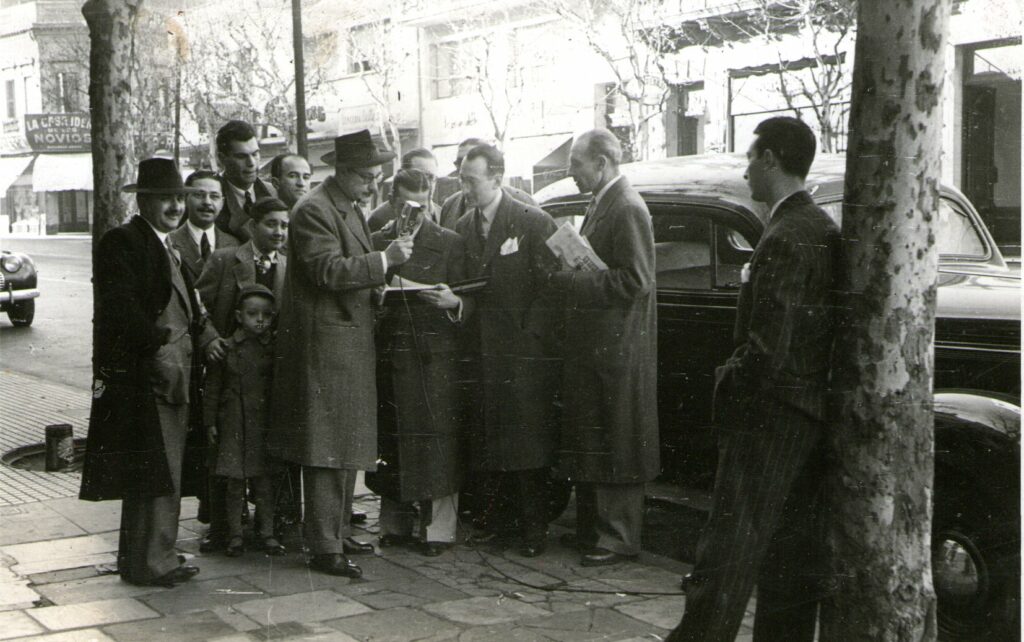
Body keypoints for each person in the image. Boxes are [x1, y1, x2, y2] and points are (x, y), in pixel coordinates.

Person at [666, 117, 839, 642]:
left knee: (728, 552)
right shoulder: (822, 228)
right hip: (807, 417)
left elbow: (767, 346)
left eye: (750, 159)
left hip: (767, 420)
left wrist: (727, 380)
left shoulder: (785, 235)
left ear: (770, 160)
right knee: (790, 557)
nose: (745, 172)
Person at [268, 130, 413, 578]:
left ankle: (337, 532)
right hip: (327, 348)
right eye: (368, 178)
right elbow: (326, 270)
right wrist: (384, 262)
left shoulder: (343, 205)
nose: (373, 186)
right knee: (327, 447)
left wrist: (379, 289)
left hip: (345, 343)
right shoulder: (314, 209)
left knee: (344, 444)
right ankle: (325, 545)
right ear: (345, 172)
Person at [80, 157, 216, 588]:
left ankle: (151, 556)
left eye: (179, 197)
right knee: (158, 472)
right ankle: (153, 562)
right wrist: (156, 347)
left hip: (170, 372)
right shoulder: (124, 241)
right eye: (165, 199)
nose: (176, 206)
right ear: (143, 201)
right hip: (151, 376)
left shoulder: (161, 242)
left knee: (160, 471)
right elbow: (121, 309)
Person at [420, 144, 560, 558]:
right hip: (479, 353)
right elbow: (466, 287)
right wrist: (456, 303)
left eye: (472, 180)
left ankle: (534, 529)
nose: (464, 188)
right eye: (461, 179)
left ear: (498, 179)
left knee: (527, 443)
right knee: (491, 440)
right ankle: (501, 525)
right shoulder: (462, 226)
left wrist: (531, 339)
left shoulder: (532, 221)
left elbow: (553, 288)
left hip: (523, 357)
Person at [547, 128, 660, 568]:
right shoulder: (606, 201)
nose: (570, 171)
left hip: (617, 348)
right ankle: (599, 531)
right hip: (601, 347)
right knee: (601, 434)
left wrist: (573, 279)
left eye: (576, 163)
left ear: (602, 163)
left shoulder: (627, 206)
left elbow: (635, 280)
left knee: (618, 437)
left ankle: (618, 537)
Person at [366, 168, 467, 557]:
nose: (415, 215)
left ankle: (438, 530)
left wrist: (453, 301)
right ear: (391, 202)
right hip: (392, 352)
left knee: (437, 441)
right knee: (392, 440)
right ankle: (394, 524)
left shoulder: (450, 243)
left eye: (422, 207)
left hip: (433, 356)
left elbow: (468, 295)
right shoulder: (377, 242)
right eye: (407, 206)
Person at [203, 284, 285, 558]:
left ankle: (267, 533)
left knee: (264, 482)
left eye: (266, 315)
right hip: (233, 425)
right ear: (239, 316)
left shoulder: (274, 349)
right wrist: (210, 421)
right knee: (234, 484)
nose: (260, 320)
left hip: (262, 425)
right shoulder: (226, 347)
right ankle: (235, 535)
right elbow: (213, 386)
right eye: (252, 314)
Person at [435, 138, 536, 230]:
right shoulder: (450, 206)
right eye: (459, 161)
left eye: (473, 157)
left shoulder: (523, 201)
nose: (464, 165)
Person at [169, 170, 239, 284]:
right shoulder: (169, 242)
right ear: (185, 199)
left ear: (222, 203)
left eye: (214, 196)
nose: (207, 202)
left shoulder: (234, 245)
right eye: (199, 195)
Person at [214, 120, 277, 241]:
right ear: (222, 159)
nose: (251, 163)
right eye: (241, 156)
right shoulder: (211, 199)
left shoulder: (274, 193)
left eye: (255, 154)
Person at [368, 164, 437, 233]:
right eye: (407, 207)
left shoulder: (444, 239)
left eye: (421, 208)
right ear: (392, 201)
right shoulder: (375, 240)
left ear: (429, 202)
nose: (414, 217)